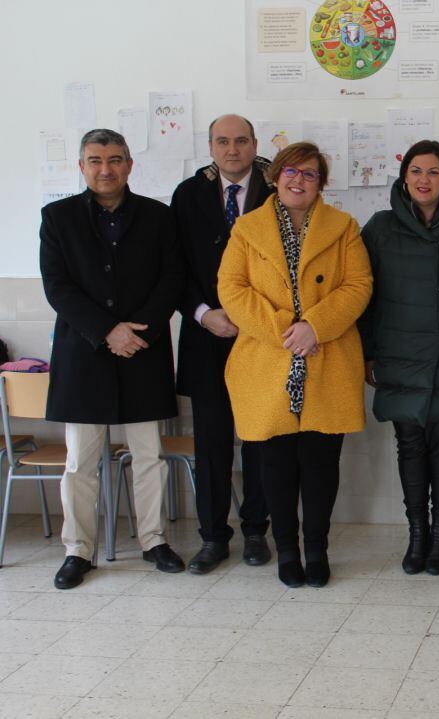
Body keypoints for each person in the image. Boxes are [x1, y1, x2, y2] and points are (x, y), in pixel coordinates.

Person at [218, 142, 372, 588]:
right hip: (269, 361)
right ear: (275, 176)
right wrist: (288, 329)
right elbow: (232, 288)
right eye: (290, 171)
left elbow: (359, 285)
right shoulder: (247, 229)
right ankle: (286, 549)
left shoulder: (344, 227)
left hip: (327, 360)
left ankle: (317, 548)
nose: (297, 180)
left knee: (322, 466)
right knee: (276, 469)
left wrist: (316, 327)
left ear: (320, 182)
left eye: (308, 174)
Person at [40, 129, 185, 589]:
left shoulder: (159, 217)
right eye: (96, 160)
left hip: (143, 348)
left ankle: (154, 540)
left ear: (129, 164)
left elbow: (172, 279)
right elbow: (57, 286)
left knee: (149, 455)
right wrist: (107, 332)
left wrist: (134, 331)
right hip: (84, 352)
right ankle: (77, 550)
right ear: (81, 166)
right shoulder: (57, 217)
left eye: (116, 159)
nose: (107, 169)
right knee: (80, 461)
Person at [359, 140, 439, 575]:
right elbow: (364, 297)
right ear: (404, 177)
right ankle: (417, 536)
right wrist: (367, 354)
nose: (424, 180)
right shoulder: (378, 228)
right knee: (410, 446)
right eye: (416, 171)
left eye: (433, 172)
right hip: (399, 355)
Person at [171, 114, 272, 574]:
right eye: (223, 141)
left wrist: (258, 319)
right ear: (210, 147)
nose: (232, 149)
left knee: (259, 440)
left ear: (255, 144)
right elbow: (172, 269)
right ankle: (213, 537)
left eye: (241, 141)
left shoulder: (277, 191)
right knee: (211, 443)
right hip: (206, 335)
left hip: (261, 340)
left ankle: (255, 532)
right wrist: (203, 314)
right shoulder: (188, 194)